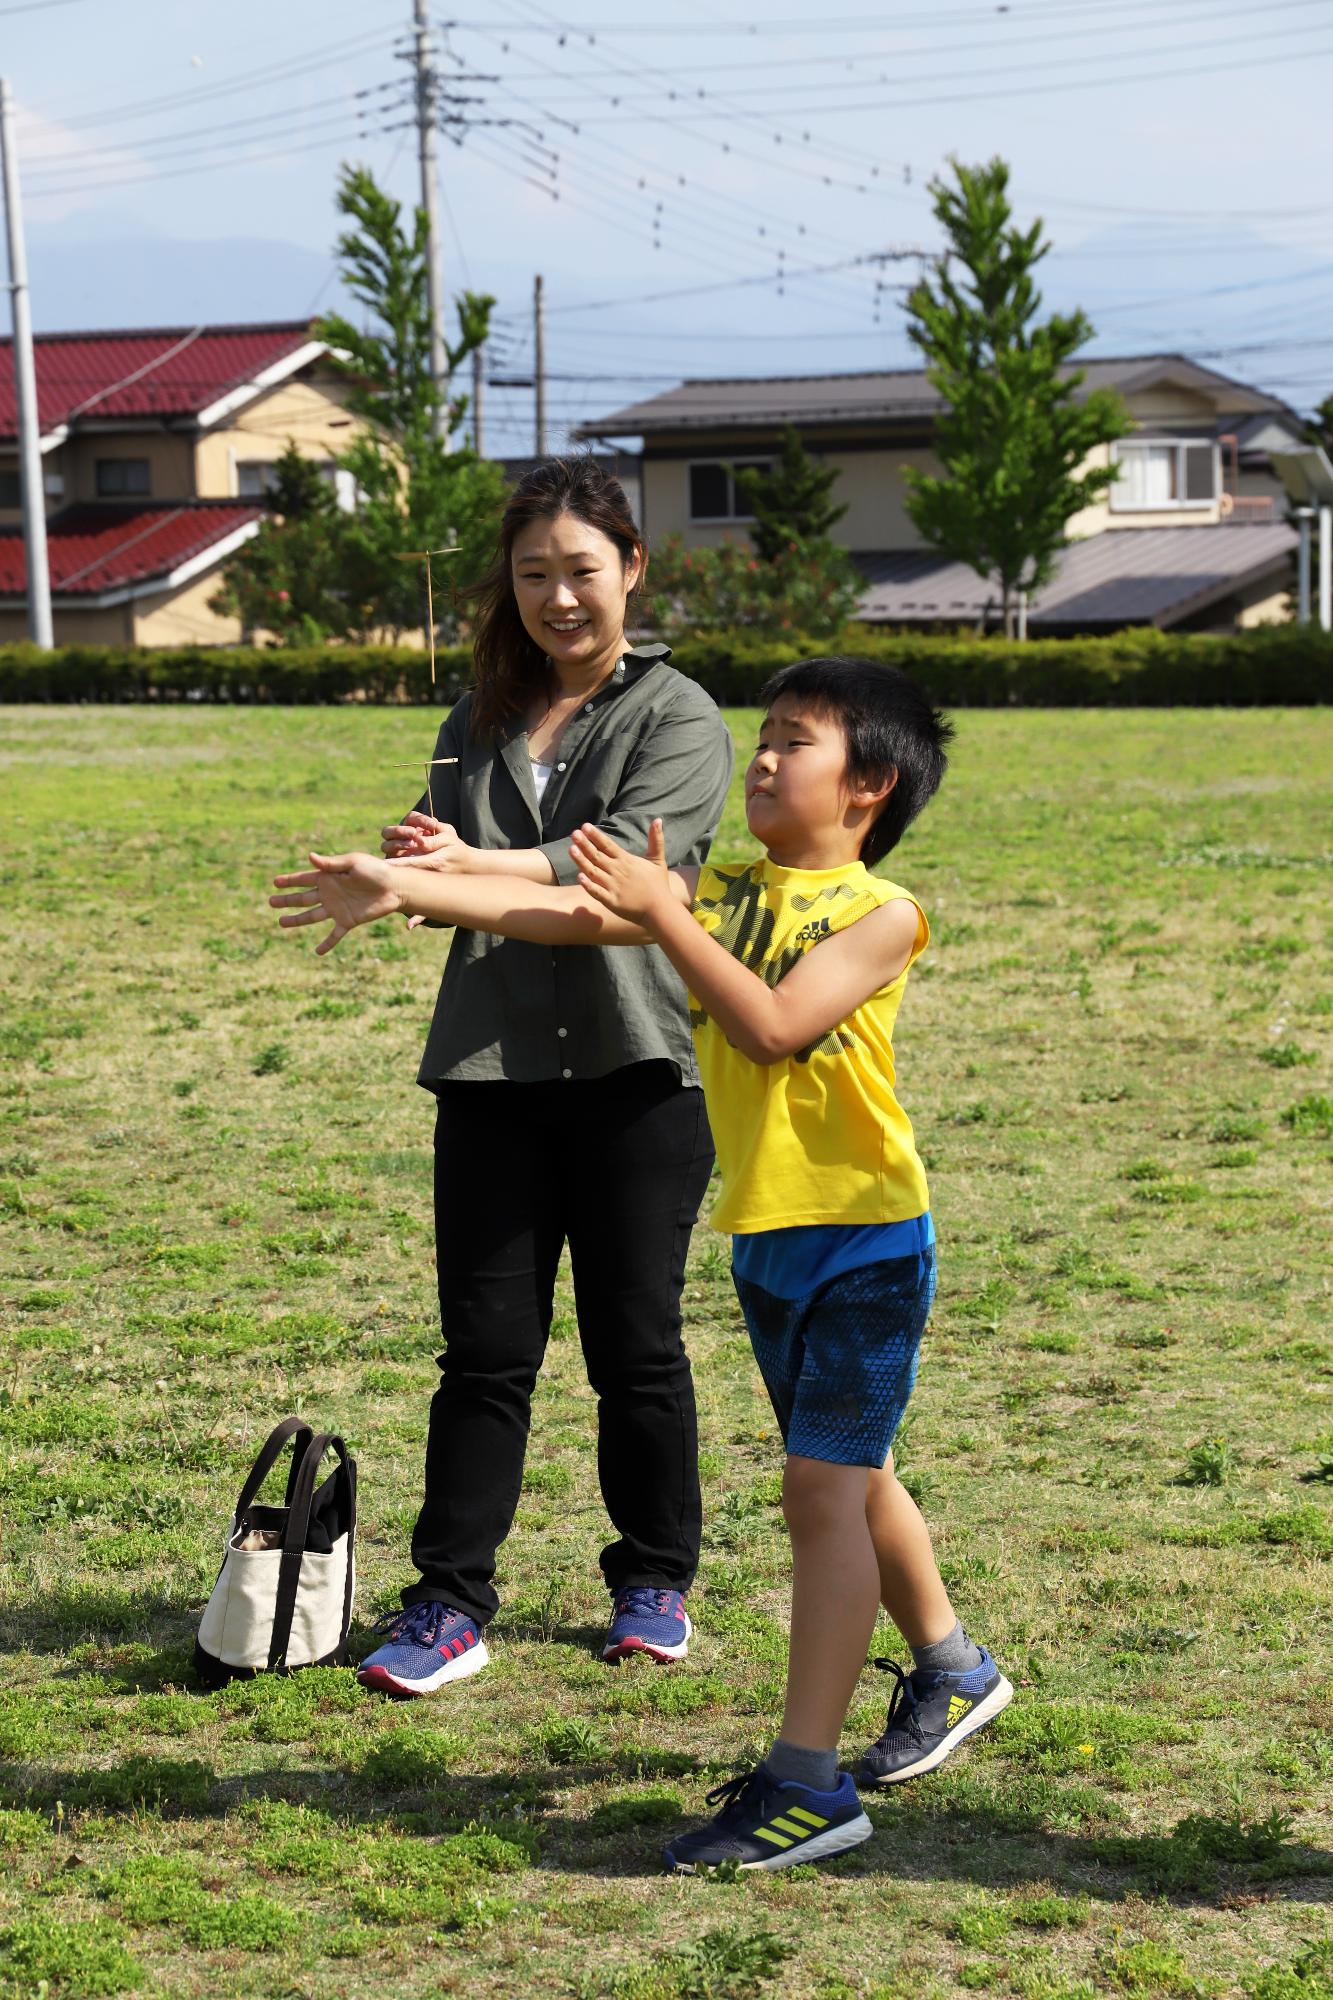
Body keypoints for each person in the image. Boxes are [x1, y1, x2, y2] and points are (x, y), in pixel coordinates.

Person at [271, 656, 1011, 1872]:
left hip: (865, 1245)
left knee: (820, 1493)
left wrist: (663, 910)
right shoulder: (721, 883)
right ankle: (954, 1668)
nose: (761, 758)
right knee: (853, 1476)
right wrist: (419, 878)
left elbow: (772, 1028)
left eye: (793, 743)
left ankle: (807, 1782)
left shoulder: (886, 913)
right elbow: (567, 900)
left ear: (868, 784)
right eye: (760, 737)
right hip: (772, 1243)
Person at [282, 459, 734, 1696]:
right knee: (482, 1352)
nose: (558, 596)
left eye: (582, 569)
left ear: (632, 568)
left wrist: (449, 873)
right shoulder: (475, 717)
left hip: (640, 1068)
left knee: (634, 1347)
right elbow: (464, 888)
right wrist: (417, 872)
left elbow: (621, 887)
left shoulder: (679, 717)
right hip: (486, 1070)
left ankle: (653, 1577)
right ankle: (448, 1601)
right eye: (533, 573)